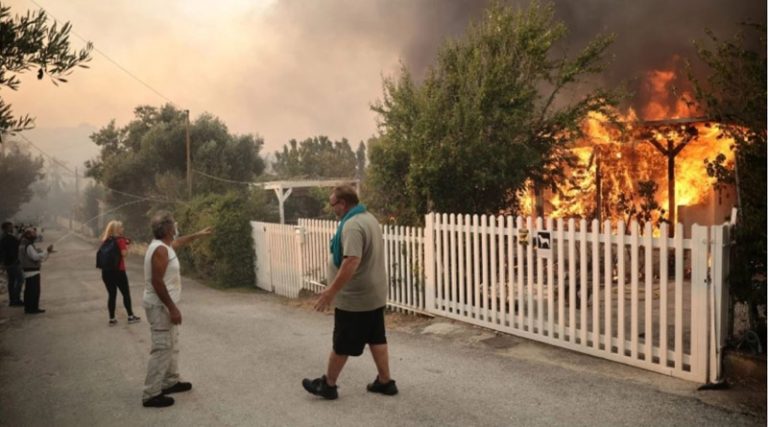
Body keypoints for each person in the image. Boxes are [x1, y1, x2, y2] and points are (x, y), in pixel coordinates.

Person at [302, 185, 398, 400]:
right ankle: (385, 382)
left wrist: (330, 292)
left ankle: (328, 385)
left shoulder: (352, 226)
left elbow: (351, 261)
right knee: (376, 337)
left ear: (343, 204)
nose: (332, 208)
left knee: (342, 343)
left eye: (333, 204)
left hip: (356, 298)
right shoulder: (368, 218)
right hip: (373, 293)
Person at [141, 211, 212, 408]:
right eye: (174, 225)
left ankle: (170, 382)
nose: (176, 227)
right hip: (159, 307)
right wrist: (172, 308)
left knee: (172, 344)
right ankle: (151, 393)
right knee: (162, 348)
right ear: (168, 229)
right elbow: (157, 282)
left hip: (164, 306)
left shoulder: (165, 246)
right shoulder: (160, 251)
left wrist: (198, 234)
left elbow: (180, 242)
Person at [98, 220, 140, 326]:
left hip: (106, 272)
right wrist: (127, 247)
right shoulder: (120, 240)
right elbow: (124, 254)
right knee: (125, 293)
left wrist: (124, 242)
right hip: (119, 271)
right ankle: (130, 316)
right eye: (121, 227)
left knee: (112, 295)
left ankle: (112, 319)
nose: (123, 229)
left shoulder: (105, 240)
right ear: (117, 229)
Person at [18, 227, 53, 314]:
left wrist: (45, 253)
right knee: (34, 291)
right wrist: (46, 251)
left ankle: (29, 308)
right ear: (28, 234)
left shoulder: (22, 244)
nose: (35, 235)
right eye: (33, 233)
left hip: (28, 270)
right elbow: (35, 257)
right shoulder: (28, 245)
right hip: (32, 271)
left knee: (29, 290)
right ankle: (32, 308)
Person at [1, 222, 24, 307]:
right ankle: (16, 299)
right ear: (6, 228)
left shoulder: (3, 237)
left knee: (11, 281)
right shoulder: (8, 237)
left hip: (8, 262)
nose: (12, 228)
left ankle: (12, 300)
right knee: (20, 279)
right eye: (10, 227)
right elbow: (17, 243)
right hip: (12, 262)